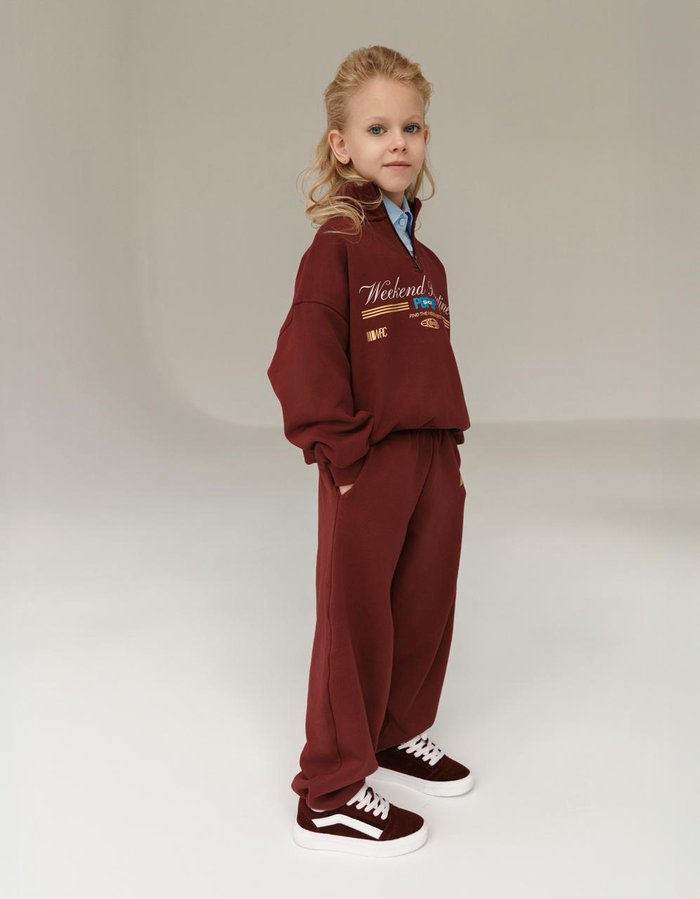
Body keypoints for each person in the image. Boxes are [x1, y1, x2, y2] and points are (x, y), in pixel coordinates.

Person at [267, 45, 473, 858]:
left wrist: (447, 453)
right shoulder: (338, 246)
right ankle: (329, 789)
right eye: (378, 128)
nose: (398, 142)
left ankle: (394, 730)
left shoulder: (427, 260)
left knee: (422, 602)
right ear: (342, 144)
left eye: (411, 127)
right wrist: (342, 455)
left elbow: (425, 363)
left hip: (432, 457)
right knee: (353, 618)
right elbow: (302, 358)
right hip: (369, 459)